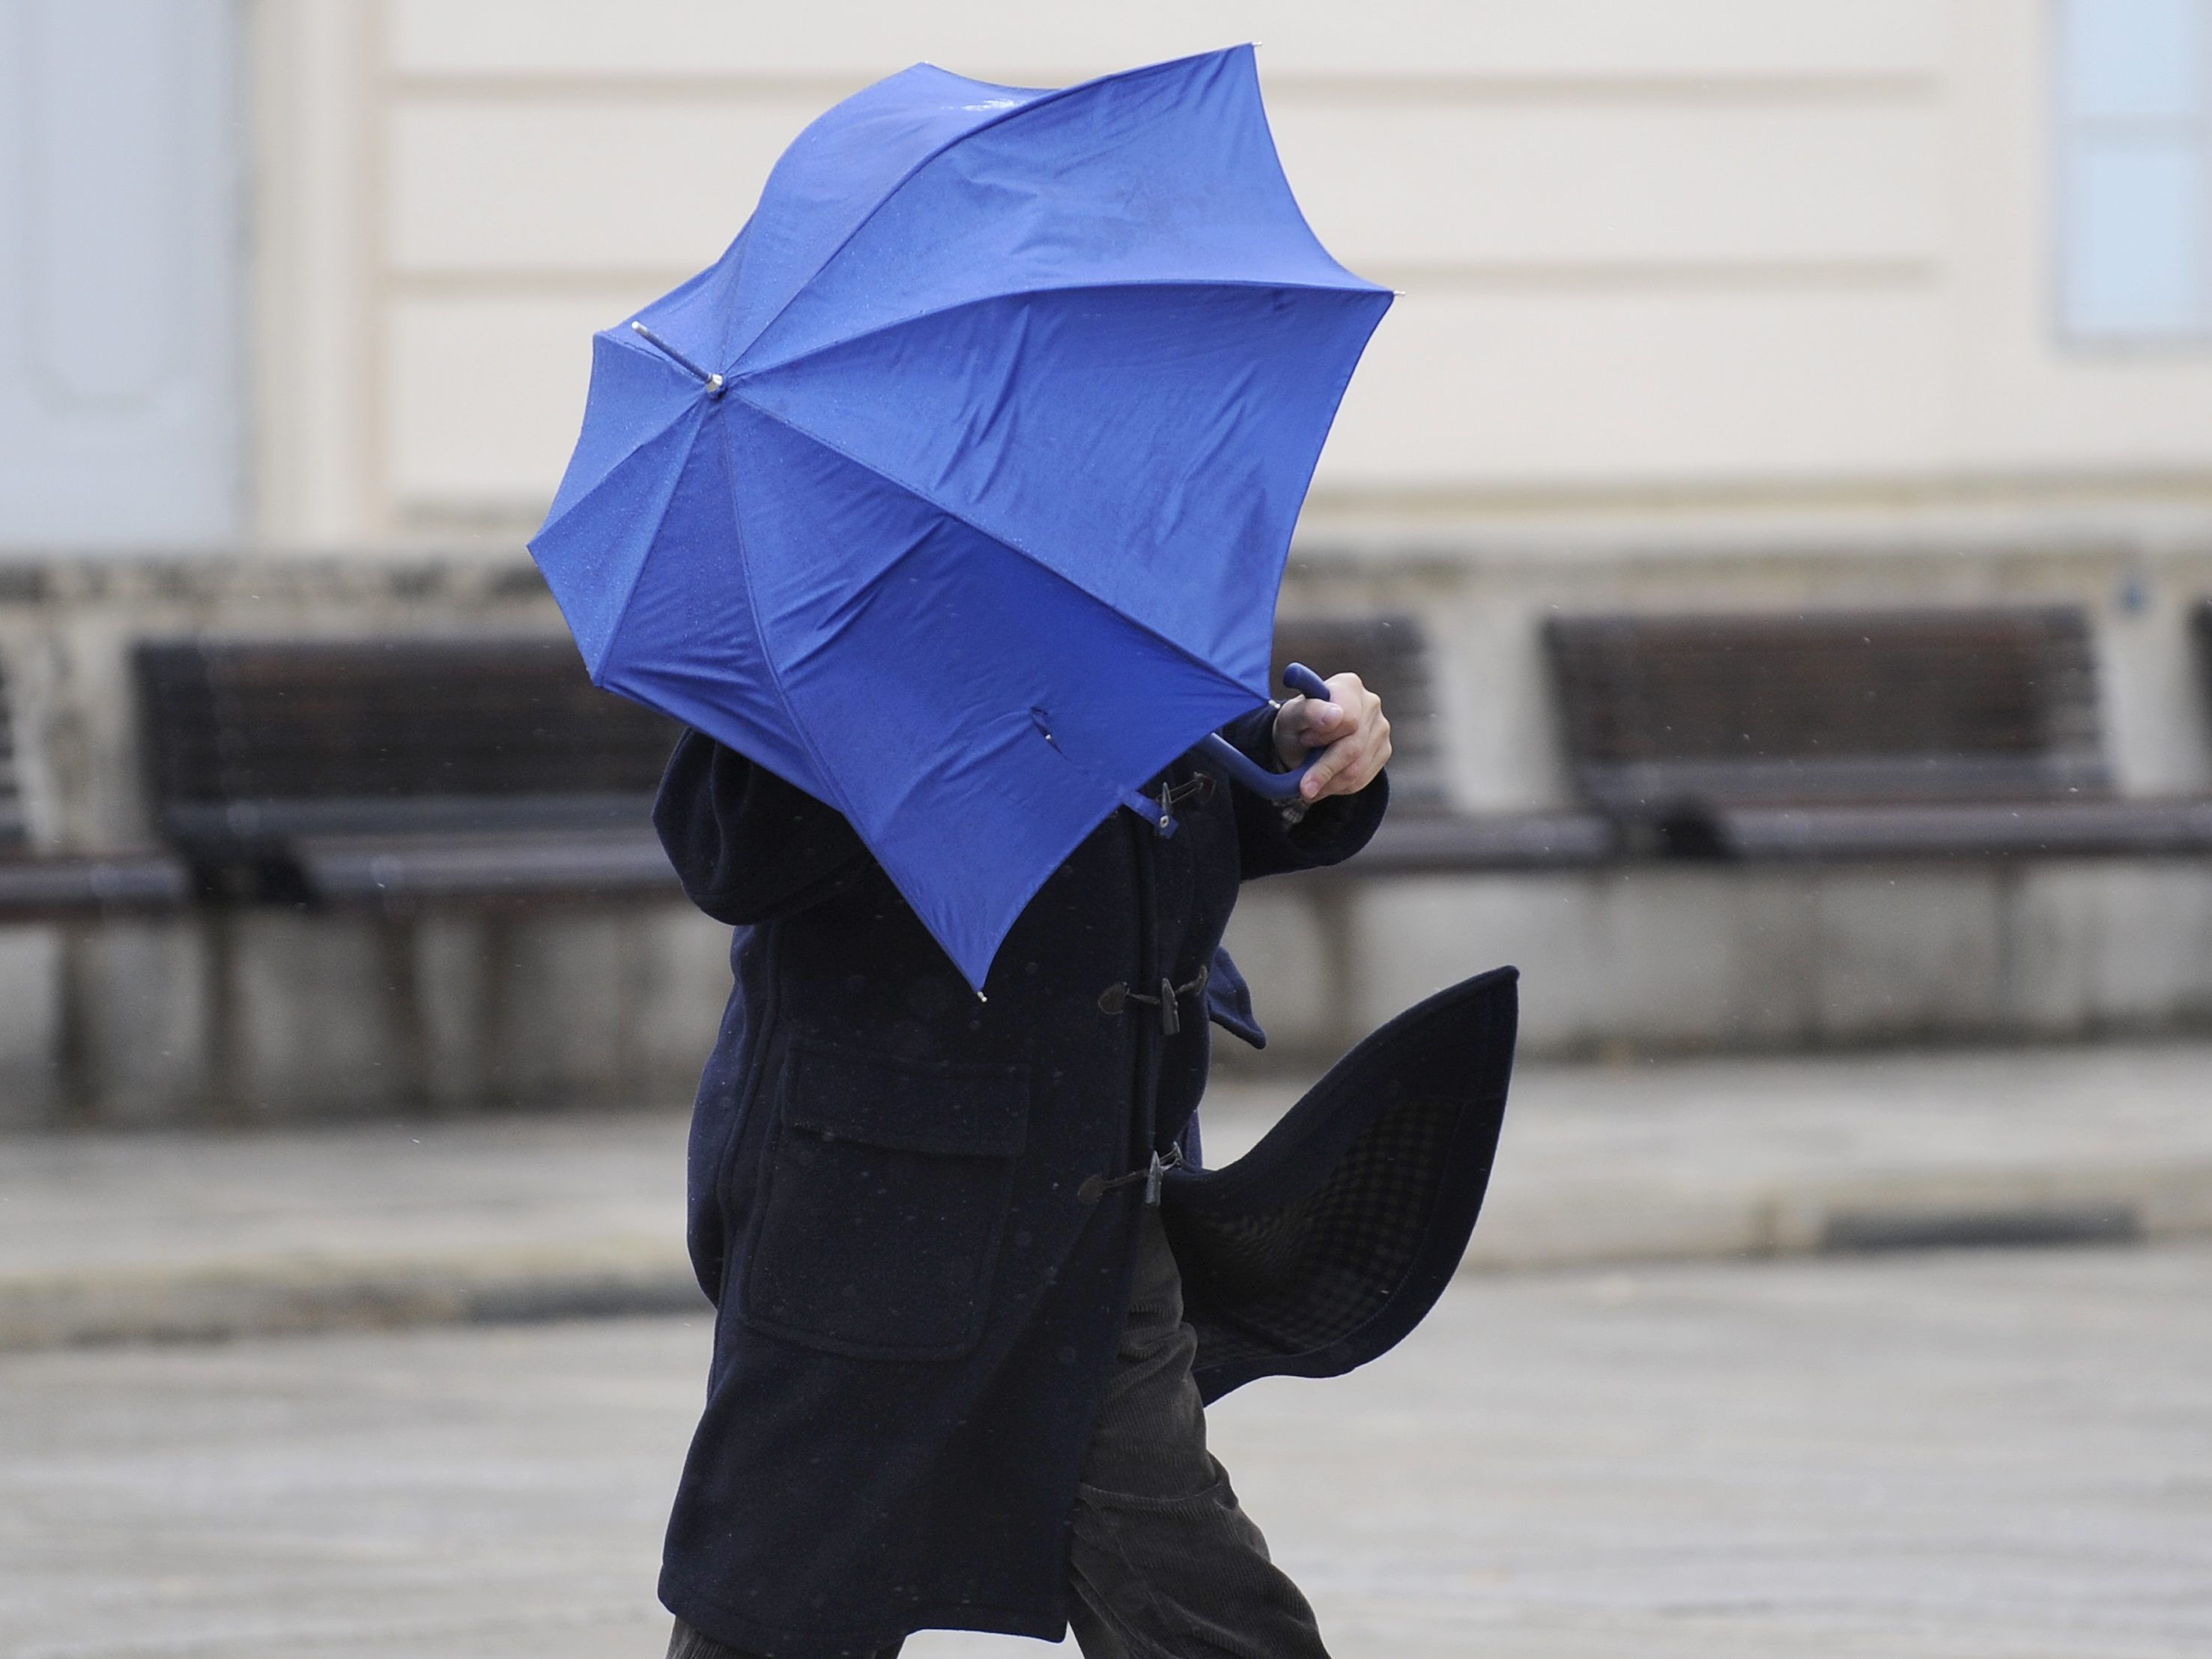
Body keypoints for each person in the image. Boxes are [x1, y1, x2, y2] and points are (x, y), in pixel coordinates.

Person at [653, 674, 1393, 1659]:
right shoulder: (831, 621)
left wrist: (1291, 754)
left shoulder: (1090, 581)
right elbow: (729, 852)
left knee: (1195, 1593)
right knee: (783, 1596)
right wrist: (943, 710)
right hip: (875, 1216)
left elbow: (1164, 817)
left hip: (1098, 1190)